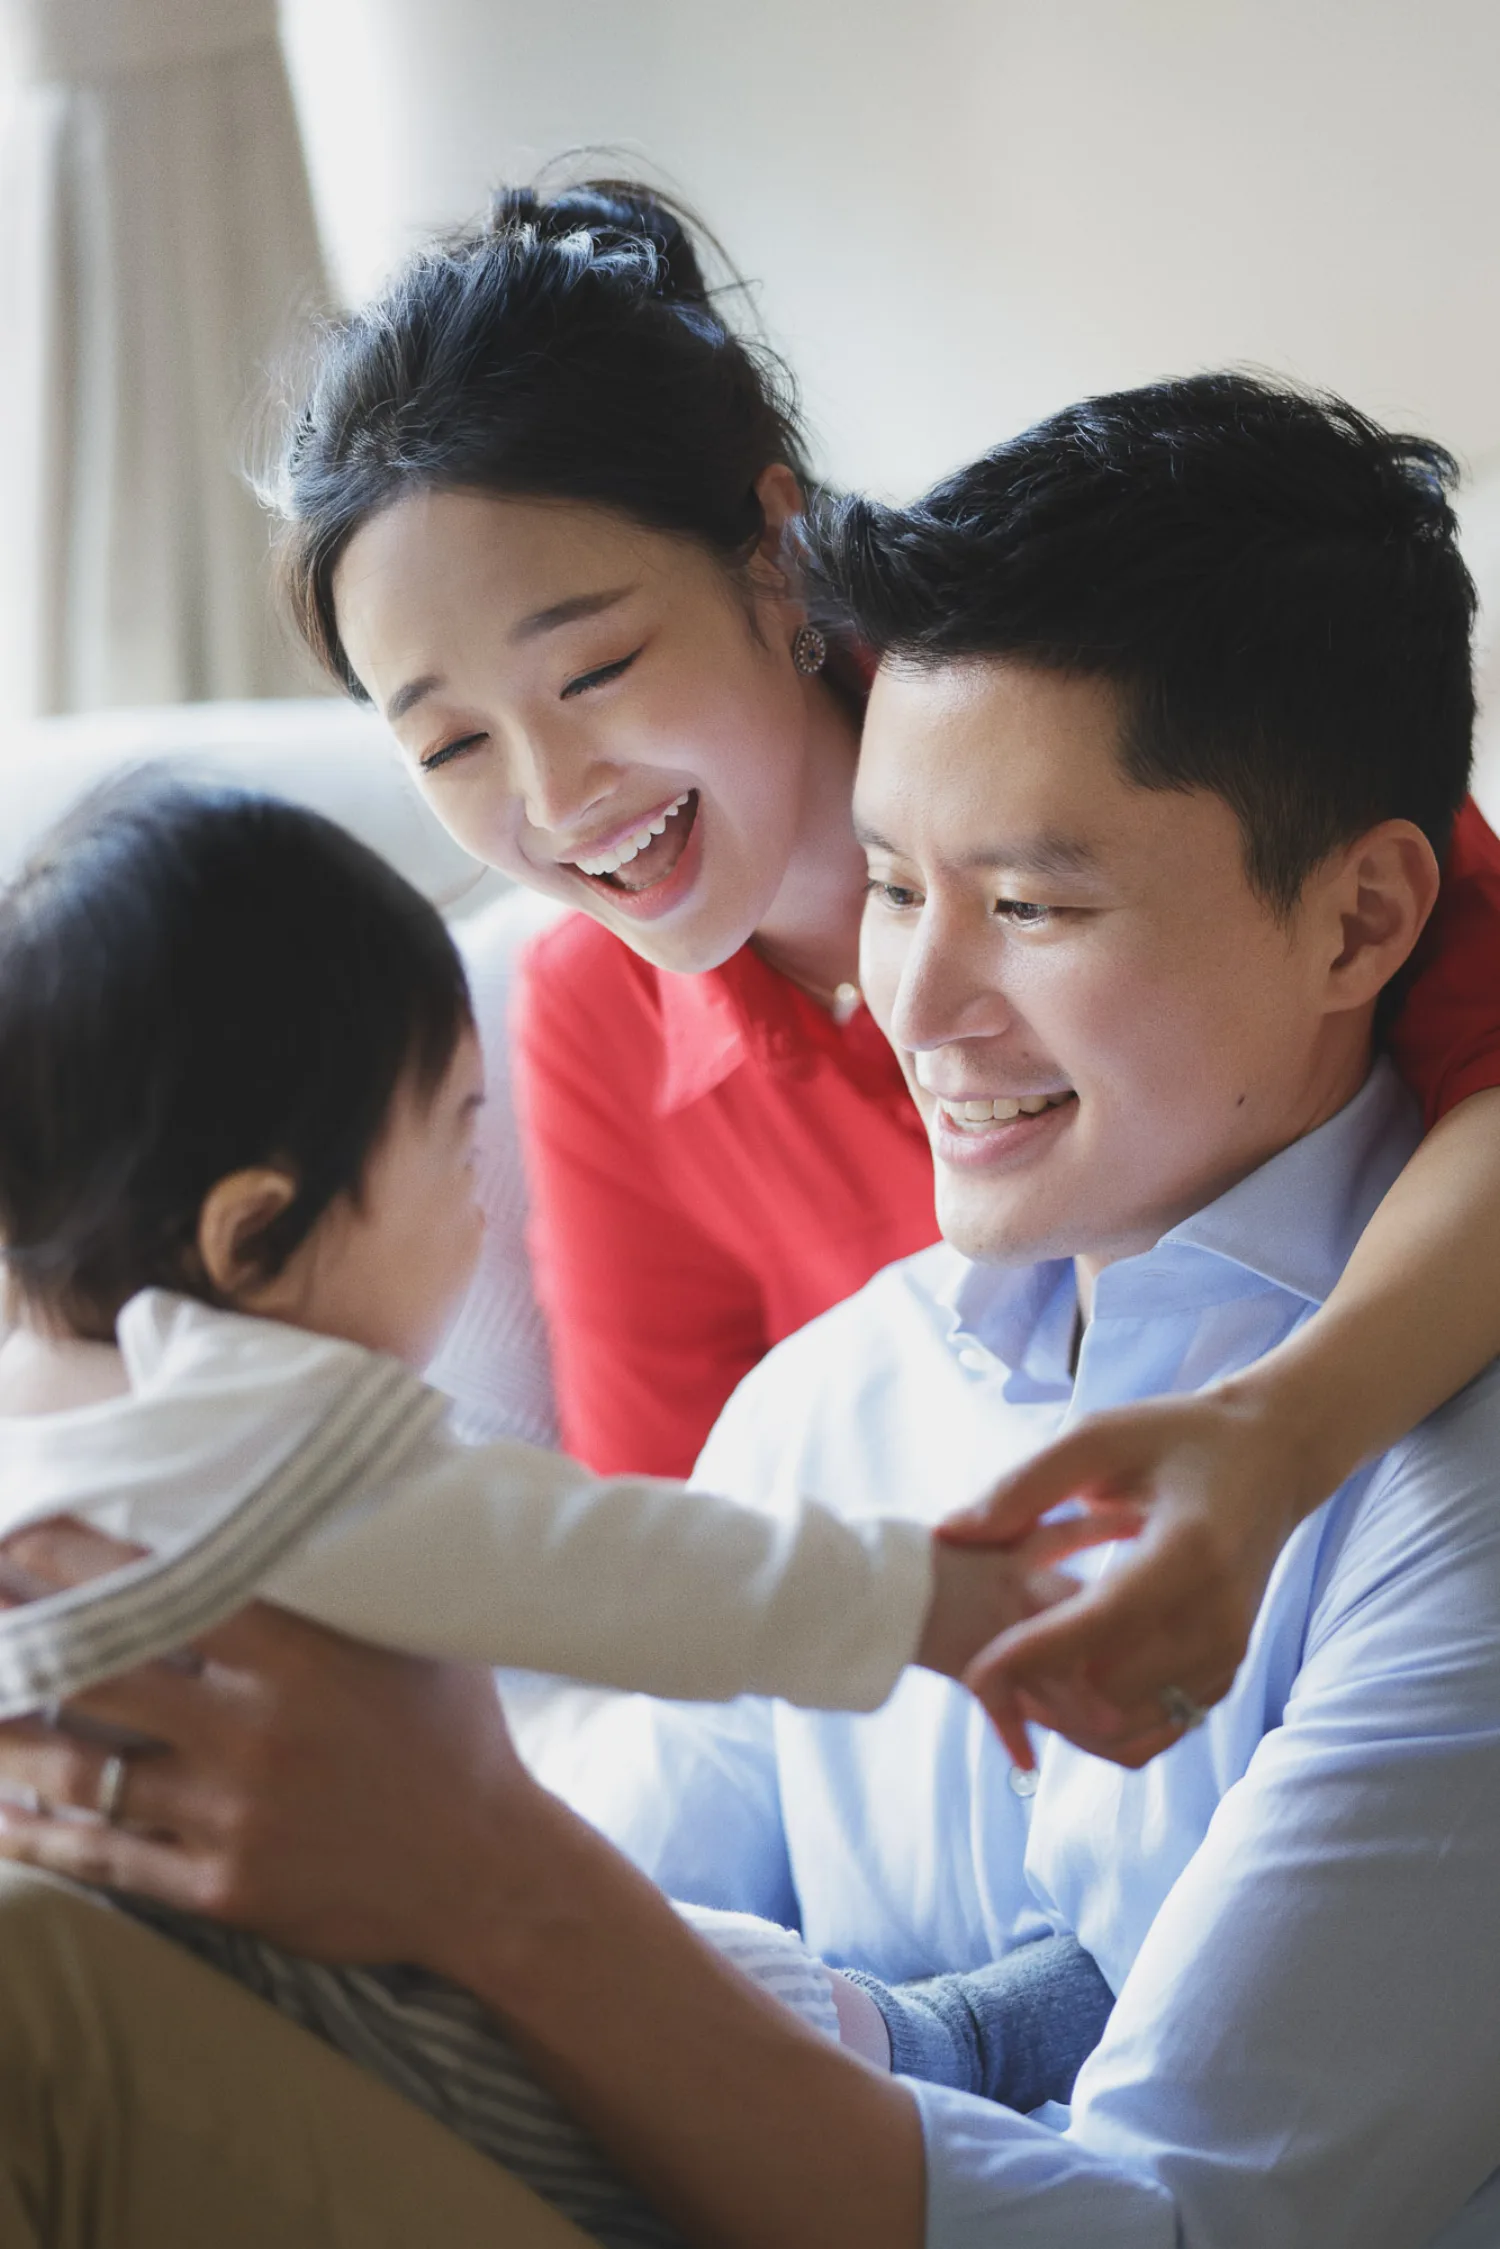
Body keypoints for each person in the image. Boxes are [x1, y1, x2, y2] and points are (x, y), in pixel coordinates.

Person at [2, 371, 1497, 2249]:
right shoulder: (844, 1393)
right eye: (886, 885)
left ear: (1363, 924)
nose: (914, 998)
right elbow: (616, 1832)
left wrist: (486, 1881)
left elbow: (1176, 2232)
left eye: (1031, 907)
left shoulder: (1438, 1495)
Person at [274, 176, 1500, 1747]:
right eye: (449, 741)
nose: (557, 797)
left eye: (597, 668)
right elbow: (689, 1585)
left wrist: (1277, 1445)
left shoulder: (1151, 694)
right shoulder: (589, 1029)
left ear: (776, 557)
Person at [0, 778, 1118, 2243]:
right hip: (404, 2057)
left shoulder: (43, 1420)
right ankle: (945, 2047)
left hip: (232, 1997)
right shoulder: (266, 1428)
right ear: (256, 1230)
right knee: (624, 2046)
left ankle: (933, 2038)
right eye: (462, 1148)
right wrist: (935, 1602)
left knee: (626, 1911)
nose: (486, 1211)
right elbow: (621, 1571)